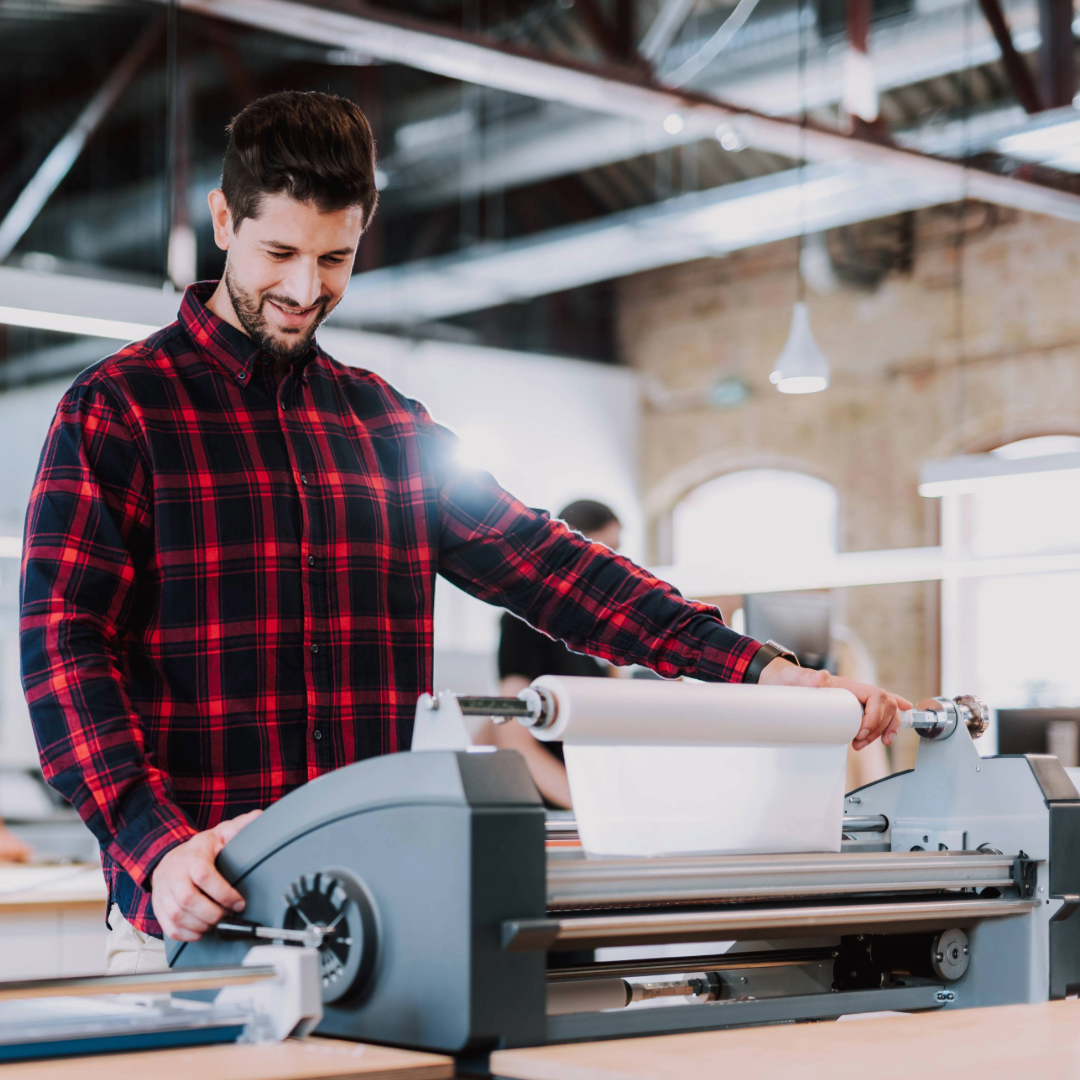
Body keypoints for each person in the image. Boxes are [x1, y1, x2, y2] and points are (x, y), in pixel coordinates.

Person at [19, 91, 911, 976]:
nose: (303, 290)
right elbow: (64, 654)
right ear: (223, 219)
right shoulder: (118, 413)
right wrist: (152, 844)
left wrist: (758, 668)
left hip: (371, 910)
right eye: (279, 252)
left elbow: (552, 567)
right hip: (198, 906)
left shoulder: (386, 428)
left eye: (335, 258)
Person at [482, 499, 622, 807]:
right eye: (608, 551)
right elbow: (514, 739)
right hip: (554, 803)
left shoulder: (592, 629)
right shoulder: (524, 622)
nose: (617, 565)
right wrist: (587, 807)